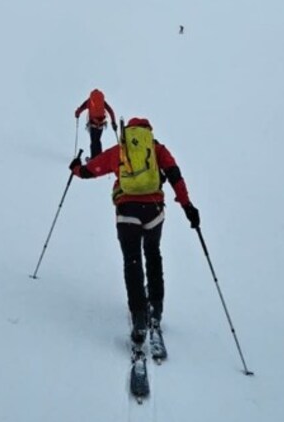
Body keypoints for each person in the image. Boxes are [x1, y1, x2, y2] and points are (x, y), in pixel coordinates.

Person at [69, 117, 201, 344]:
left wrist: (76, 168)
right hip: (154, 211)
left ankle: (139, 319)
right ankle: (156, 309)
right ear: (147, 131)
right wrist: (187, 206)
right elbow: (174, 175)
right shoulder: (157, 148)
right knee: (153, 254)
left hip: (126, 211)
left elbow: (92, 170)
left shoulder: (120, 150)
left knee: (132, 261)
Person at [74, 89, 118, 158]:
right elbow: (110, 111)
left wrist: (77, 114)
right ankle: (100, 158)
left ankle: (93, 159)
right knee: (97, 140)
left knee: (93, 142)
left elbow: (81, 109)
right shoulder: (103, 102)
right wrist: (113, 122)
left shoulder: (89, 101)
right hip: (101, 124)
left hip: (93, 124)